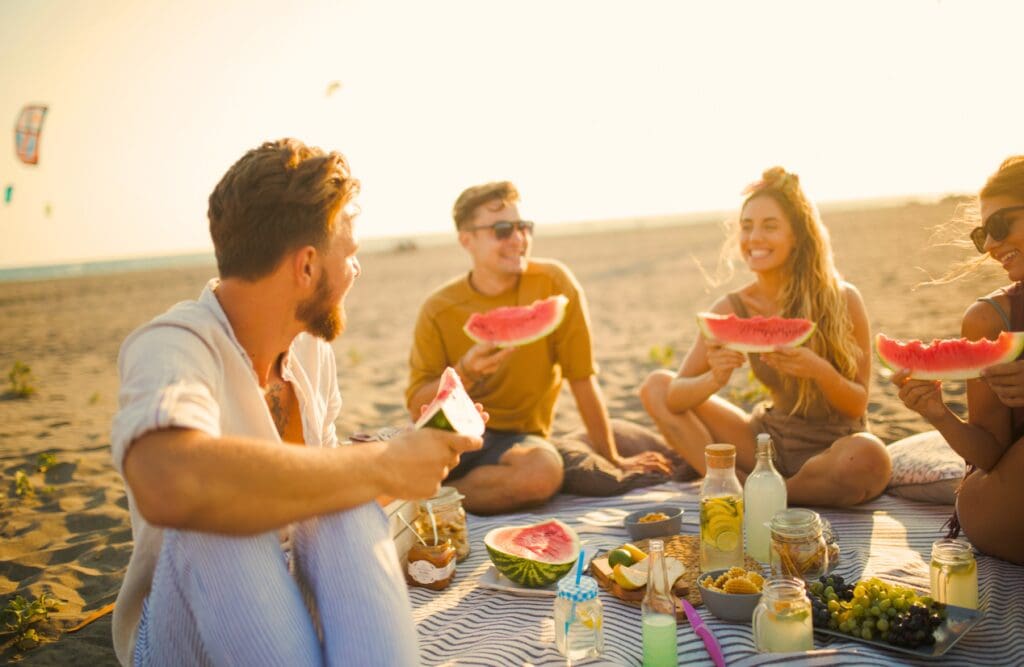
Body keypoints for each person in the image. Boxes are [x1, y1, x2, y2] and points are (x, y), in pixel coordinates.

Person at [109, 139, 482, 666]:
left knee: (345, 499)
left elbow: (327, 491)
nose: (356, 271)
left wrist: (417, 451)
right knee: (219, 516)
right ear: (306, 267)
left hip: (293, 604)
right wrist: (381, 463)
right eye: (349, 255)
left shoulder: (309, 349)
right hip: (186, 634)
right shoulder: (172, 345)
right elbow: (166, 482)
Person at [405, 181, 673, 515]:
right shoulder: (438, 309)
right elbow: (417, 407)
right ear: (466, 240)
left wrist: (614, 457)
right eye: (503, 230)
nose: (518, 239)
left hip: (517, 440)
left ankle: (429, 496)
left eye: (524, 227)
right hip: (451, 434)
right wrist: (466, 373)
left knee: (542, 475)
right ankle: (427, 486)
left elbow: (582, 378)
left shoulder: (553, 285)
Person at [640, 167, 890, 507]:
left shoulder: (843, 299)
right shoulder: (732, 307)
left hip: (835, 445)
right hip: (766, 440)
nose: (754, 237)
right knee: (655, 385)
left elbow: (857, 404)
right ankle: (739, 487)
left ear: (797, 236)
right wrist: (715, 378)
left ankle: (771, 492)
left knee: (869, 458)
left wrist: (819, 370)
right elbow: (674, 398)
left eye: (770, 226)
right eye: (747, 226)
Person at [893, 156, 1024, 565]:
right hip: (1004, 503)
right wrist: (938, 414)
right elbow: (988, 453)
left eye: (999, 225)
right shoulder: (990, 319)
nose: (990, 246)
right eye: (981, 234)